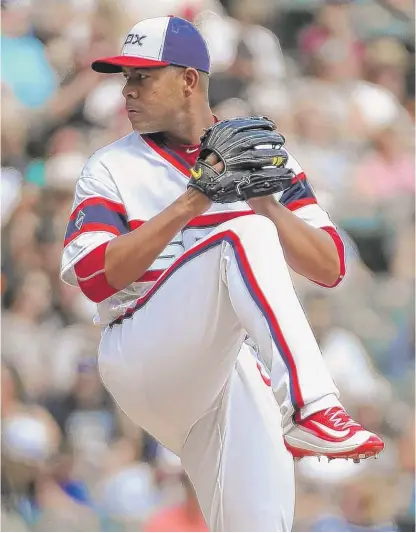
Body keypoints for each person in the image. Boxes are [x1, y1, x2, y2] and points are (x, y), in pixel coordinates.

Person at [60, 16, 384, 531]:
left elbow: (329, 267)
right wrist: (194, 201)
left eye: (143, 76)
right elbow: (95, 277)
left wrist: (267, 206)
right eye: (125, 77)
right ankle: (314, 407)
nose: (128, 89)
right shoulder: (111, 166)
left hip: (228, 370)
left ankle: (306, 410)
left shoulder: (254, 154)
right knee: (243, 235)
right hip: (141, 351)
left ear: (189, 80)